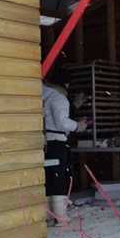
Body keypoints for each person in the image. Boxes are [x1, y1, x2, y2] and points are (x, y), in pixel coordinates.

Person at [42, 68, 88, 226]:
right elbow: (62, 122)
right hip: (57, 140)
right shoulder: (58, 97)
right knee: (58, 176)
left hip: (44, 140)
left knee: (48, 176)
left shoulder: (42, 93)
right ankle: (61, 217)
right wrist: (78, 126)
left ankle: (48, 216)